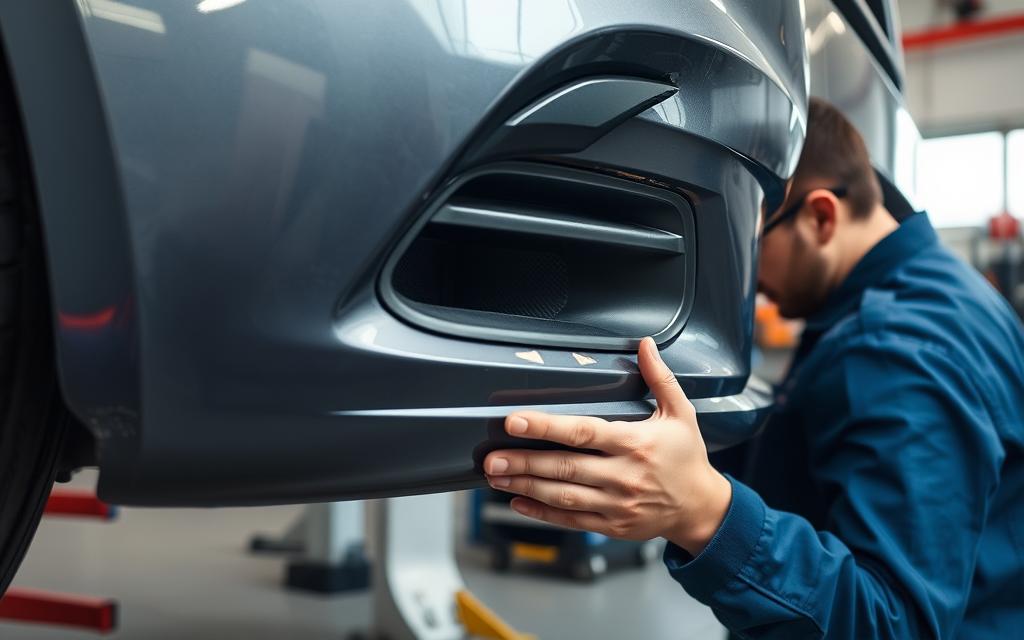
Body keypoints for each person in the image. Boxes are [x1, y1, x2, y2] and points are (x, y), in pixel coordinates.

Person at [482, 98, 1024, 639]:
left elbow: (894, 623)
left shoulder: (906, 348)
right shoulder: (908, 299)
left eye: (745, 239)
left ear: (820, 217)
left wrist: (705, 513)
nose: (740, 272)